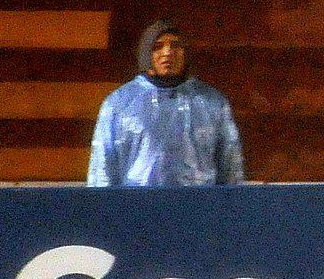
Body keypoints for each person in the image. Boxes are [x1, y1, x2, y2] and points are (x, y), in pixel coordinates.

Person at [87, 19, 244, 187]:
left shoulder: (213, 104)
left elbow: (230, 167)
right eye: (158, 46)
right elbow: (102, 169)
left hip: (199, 208)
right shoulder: (118, 105)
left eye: (176, 45)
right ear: (146, 54)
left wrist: (230, 209)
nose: (167, 52)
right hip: (136, 208)